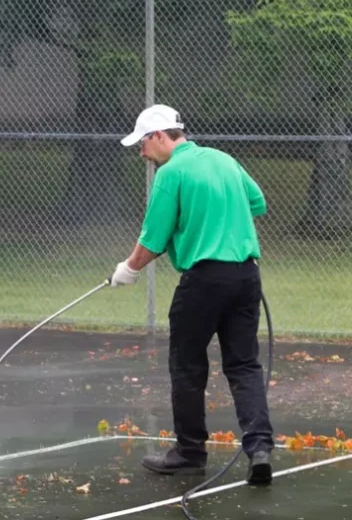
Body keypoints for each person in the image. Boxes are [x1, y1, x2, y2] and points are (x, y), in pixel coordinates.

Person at [109, 104, 274, 486]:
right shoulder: (224, 160)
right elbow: (257, 203)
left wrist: (129, 270)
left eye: (143, 144)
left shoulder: (171, 174)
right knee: (244, 365)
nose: (141, 153)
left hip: (203, 281)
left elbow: (152, 239)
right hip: (246, 277)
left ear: (159, 136)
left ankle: (189, 452)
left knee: (187, 365)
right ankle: (260, 449)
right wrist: (218, 215)